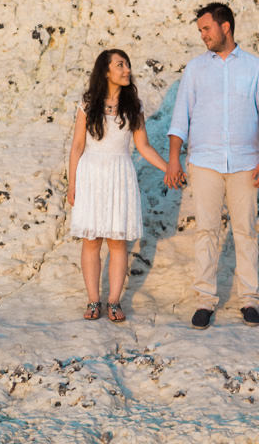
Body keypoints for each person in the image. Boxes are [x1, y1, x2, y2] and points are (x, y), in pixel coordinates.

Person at [165, 2, 259, 328]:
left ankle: (249, 300)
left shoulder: (256, 69)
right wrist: (174, 159)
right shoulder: (195, 69)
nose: (203, 35)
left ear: (225, 27)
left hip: (245, 162)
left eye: (206, 29)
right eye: (200, 30)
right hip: (204, 162)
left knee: (244, 231)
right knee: (206, 231)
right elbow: (180, 117)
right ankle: (205, 299)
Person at [67, 48, 171, 323]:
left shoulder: (133, 106)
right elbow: (77, 146)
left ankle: (113, 301)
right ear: (106, 71)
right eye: (120, 65)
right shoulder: (87, 104)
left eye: (127, 65)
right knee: (91, 241)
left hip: (120, 174)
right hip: (91, 174)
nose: (127, 70)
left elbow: (144, 147)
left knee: (117, 242)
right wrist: (72, 184)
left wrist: (169, 167)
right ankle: (93, 300)